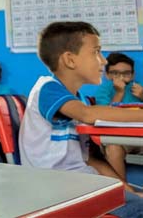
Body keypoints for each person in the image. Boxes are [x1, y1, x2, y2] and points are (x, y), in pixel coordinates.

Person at [20, 21, 143, 217]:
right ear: (70, 60)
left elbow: (93, 158)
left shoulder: (79, 99)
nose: (103, 61)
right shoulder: (47, 88)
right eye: (96, 52)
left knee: (137, 197)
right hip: (55, 187)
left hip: (80, 181)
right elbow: (88, 114)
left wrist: (125, 189)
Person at [95, 52, 143, 184]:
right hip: (117, 138)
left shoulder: (138, 87)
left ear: (132, 74)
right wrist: (119, 92)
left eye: (126, 73)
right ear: (107, 74)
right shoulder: (104, 90)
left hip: (139, 136)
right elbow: (105, 116)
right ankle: (121, 189)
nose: (121, 77)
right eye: (115, 73)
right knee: (113, 147)